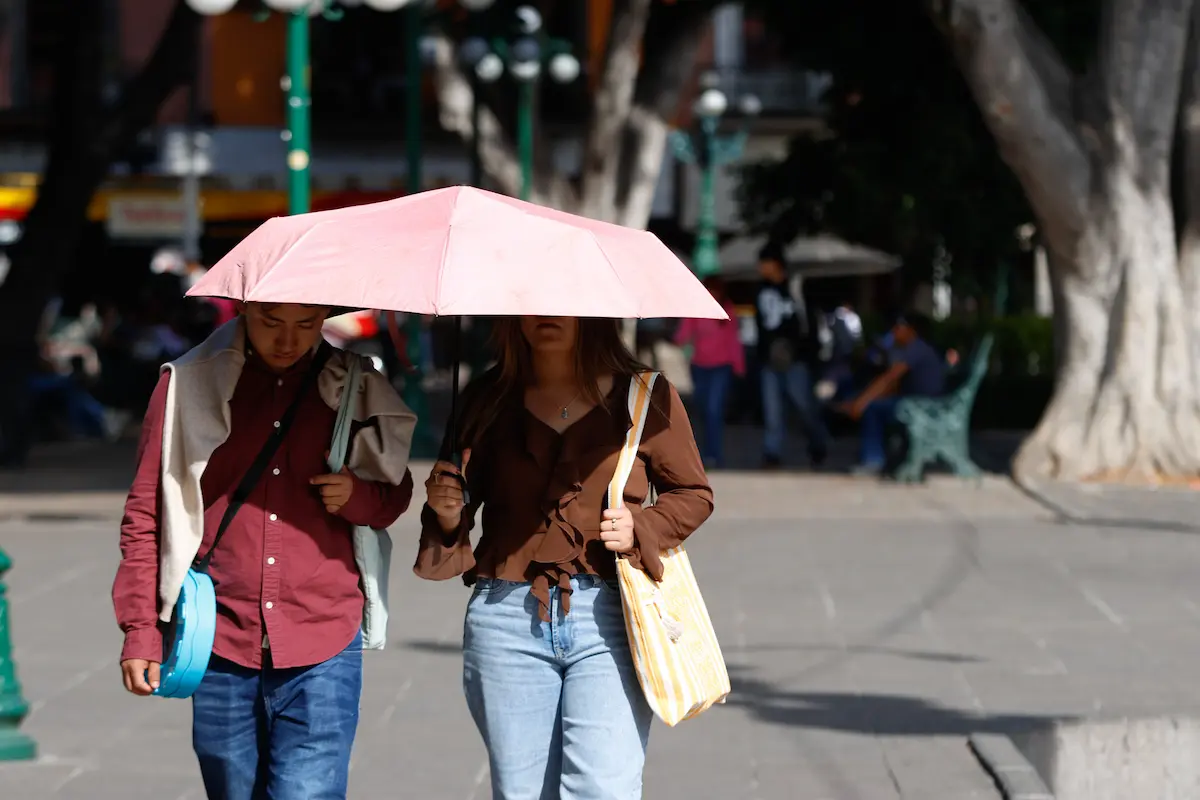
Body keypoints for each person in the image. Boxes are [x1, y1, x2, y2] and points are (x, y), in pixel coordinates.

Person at [111, 303, 417, 800]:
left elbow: (393, 495)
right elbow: (147, 512)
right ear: (246, 311)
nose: (289, 339)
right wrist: (141, 630)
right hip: (217, 635)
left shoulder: (354, 385)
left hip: (323, 631)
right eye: (273, 322)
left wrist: (356, 496)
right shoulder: (187, 385)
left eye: (306, 323)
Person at [416, 316, 713, 799]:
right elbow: (457, 518)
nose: (545, 313)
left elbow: (693, 492)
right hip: (505, 618)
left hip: (612, 618)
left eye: (562, 301)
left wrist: (643, 525)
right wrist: (447, 512)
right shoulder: (487, 398)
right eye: (530, 301)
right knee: (522, 793)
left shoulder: (644, 394)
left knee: (602, 790)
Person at [837, 312, 946, 474]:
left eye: (898, 328)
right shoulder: (915, 348)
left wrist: (861, 402)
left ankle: (872, 460)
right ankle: (875, 456)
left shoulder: (915, 349)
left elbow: (889, 377)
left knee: (872, 410)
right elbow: (892, 386)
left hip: (922, 407)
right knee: (873, 404)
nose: (894, 332)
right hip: (918, 403)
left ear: (911, 330)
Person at [754, 243, 829, 468]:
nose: (760, 268)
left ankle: (818, 444)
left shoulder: (796, 288)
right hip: (770, 360)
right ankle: (772, 452)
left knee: (804, 405)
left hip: (797, 359)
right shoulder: (760, 290)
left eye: (764, 264)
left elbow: (810, 323)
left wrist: (809, 353)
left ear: (775, 264)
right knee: (772, 411)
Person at [673, 277, 745, 468]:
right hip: (700, 367)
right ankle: (701, 453)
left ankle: (714, 454)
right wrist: (677, 340)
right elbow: (685, 330)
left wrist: (739, 365)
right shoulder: (697, 307)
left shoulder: (727, 309)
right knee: (703, 410)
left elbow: (733, 339)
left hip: (721, 367)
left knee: (714, 410)